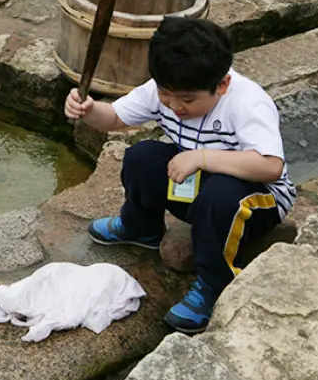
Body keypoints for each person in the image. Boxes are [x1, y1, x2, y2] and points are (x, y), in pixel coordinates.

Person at [64, 17, 296, 334]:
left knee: (219, 196)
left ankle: (214, 284)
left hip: (257, 200)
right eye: (166, 96)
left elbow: (270, 166)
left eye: (188, 100)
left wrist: (201, 157)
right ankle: (141, 227)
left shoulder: (248, 102)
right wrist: (88, 110)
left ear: (222, 85)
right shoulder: (167, 86)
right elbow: (115, 117)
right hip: (202, 187)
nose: (175, 107)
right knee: (141, 157)